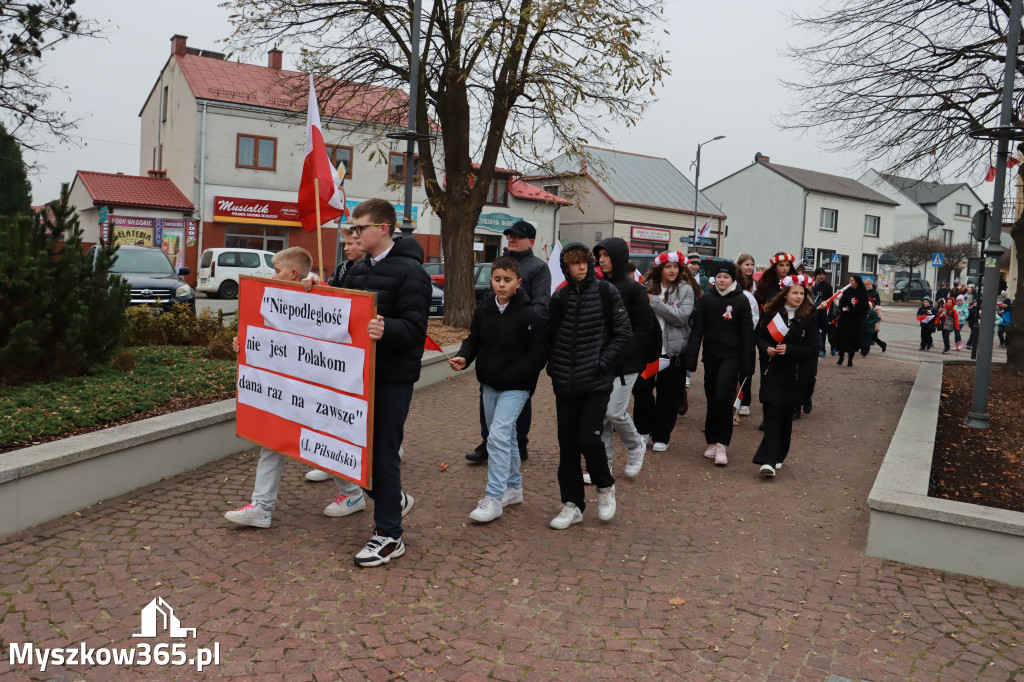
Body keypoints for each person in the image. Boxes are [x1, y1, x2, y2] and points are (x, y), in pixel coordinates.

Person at [223, 247, 392, 527]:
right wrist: (244, 345)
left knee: (323, 441)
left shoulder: (315, 296)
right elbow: (264, 338)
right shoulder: (272, 300)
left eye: (277, 270)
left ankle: (355, 493)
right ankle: (262, 507)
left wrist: (315, 282)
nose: (272, 275)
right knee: (271, 442)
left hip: (313, 394)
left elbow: (335, 316)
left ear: (292, 273)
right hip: (283, 393)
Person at [324, 198, 432, 567]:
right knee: (352, 451)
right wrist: (309, 289)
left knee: (383, 457)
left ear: (382, 229)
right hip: (357, 376)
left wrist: (388, 328)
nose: (353, 234)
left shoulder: (411, 273)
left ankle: (389, 535)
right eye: (353, 228)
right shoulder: (356, 270)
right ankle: (393, 499)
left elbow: (417, 329)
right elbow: (335, 312)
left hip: (391, 378)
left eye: (359, 228)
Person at [449, 256, 547, 523]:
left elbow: (537, 355)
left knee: (498, 436)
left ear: (518, 283)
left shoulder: (530, 314)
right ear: (491, 280)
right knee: (506, 437)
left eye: (507, 280)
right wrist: (464, 357)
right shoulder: (485, 309)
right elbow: (474, 340)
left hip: (516, 387)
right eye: (497, 279)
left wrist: (515, 375)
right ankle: (513, 488)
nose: (501, 285)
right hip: (490, 384)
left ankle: (494, 497)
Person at [546, 242, 632, 530]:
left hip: (595, 383)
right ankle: (572, 504)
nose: (581, 267)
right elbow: (552, 336)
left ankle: (605, 486)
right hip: (565, 384)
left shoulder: (607, 292)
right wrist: (555, 369)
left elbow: (623, 333)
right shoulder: (559, 298)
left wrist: (601, 363)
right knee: (567, 446)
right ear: (565, 267)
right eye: (574, 263)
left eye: (585, 261)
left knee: (587, 439)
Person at [465, 220, 550, 464]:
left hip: (521, 346)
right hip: (495, 346)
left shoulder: (538, 268)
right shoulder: (500, 265)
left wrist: (521, 325)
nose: (511, 239)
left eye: (517, 236)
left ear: (531, 242)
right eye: (509, 236)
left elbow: (542, 306)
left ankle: (519, 444)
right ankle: (488, 441)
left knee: (519, 399)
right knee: (488, 395)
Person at [305, 227, 368, 484]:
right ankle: (331, 460)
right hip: (336, 348)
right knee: (331, 406)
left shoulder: (372, 270)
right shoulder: (342, 269)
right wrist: (318, 286)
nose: (346, 248)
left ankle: (375, 455)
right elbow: (331, 296)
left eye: (351, 243)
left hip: (359, 349)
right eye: (344, 244)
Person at [684, 261, 755, 467]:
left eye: (726, 277)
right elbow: (697, 330)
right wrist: (691, 358)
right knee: (712, 398)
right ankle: (713, 441)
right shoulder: (707, 299)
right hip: (712, 356)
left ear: (733, 279)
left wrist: (748, 364)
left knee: (724, 397)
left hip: (732, 358)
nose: (722, 280)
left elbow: (747, 335)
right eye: (719, 277)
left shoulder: (741, 301)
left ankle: (723, 443)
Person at [592, 237, 654, 473]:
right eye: (600, 255)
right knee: (600, 418)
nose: (601, 260)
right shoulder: (597, 286)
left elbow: (644, 328)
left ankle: (635, 443)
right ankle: (604, 466)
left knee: (614, 412)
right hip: (601, 362)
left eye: (606, 255)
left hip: (626, 364)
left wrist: (623, 351)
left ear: (617, 257)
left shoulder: (635, 289)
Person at [753, 275, 819, 477]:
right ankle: (768, 461)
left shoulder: (810, 316)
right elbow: (760, 337)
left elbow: (812, 348)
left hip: (795, 376)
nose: (799, 297)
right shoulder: (771, 312)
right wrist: (767, 349)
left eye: (802, 293)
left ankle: (779, 455)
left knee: (784, 418)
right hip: (772, 372)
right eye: (795, 293)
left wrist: (789, 349)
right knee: (772, 414)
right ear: (785, 294)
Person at [633, 251, 695, 452]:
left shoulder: (686, 290)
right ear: (660, 268)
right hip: (649, 352)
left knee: (668, 395)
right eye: (668, 266)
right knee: (641, 389)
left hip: (673, 353)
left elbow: (681, 318)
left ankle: (662, 435)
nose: (672, 270)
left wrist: (655, 302)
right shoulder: (645, 288)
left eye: (676, 267)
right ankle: (643, 429)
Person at [735, 254, 759, 417]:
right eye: (746, 264)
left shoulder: (754, 286)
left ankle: (745, 401)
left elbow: (755, 312)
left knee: (745, 367)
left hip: (748, 329)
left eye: (752, 264)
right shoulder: (732, 280)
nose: (749, 267)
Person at [834, 275, 868, 367]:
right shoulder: (847, 291)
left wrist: (853, 310)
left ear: (857, 282)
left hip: (855, 320)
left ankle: (850, 359)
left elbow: (864, 307)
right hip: (844, 319)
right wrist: (843, 308)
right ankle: (841, 357)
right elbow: (841, 302)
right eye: (850, 280)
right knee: (841, 338)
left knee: (853, 339)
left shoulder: (862, 293)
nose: (850, 282)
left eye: (852, 280)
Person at [811, 268, 834, 359]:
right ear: (816, 275)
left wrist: (829, 313)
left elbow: (830, 301)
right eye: (819, 275)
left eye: (823, 274)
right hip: (815, 311)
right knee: (820, 333)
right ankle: (822, 349)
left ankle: (833, 346)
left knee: (828, 332)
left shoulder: (828, 286)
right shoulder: (812, 285)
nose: (822, 276)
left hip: (825, 311)